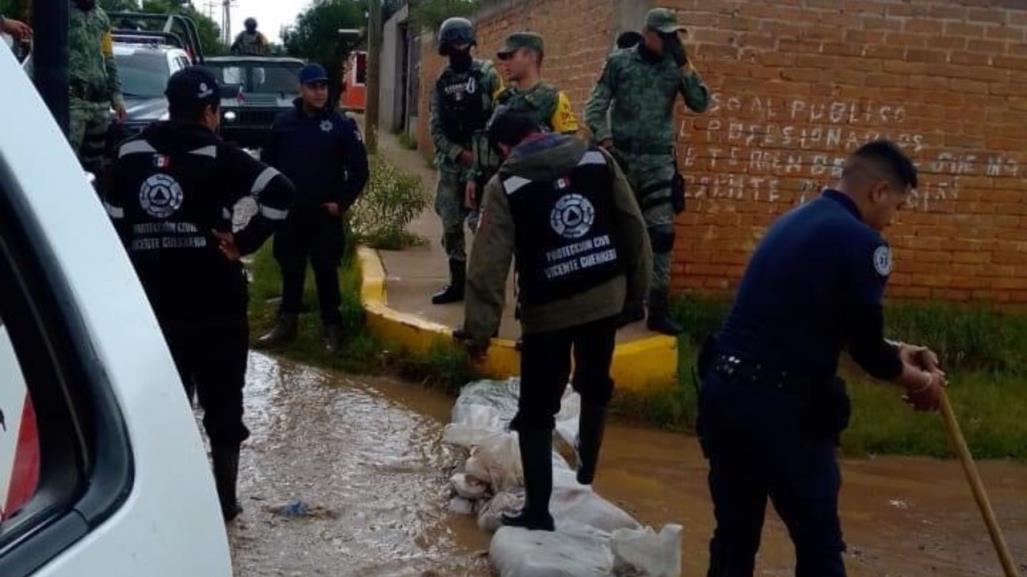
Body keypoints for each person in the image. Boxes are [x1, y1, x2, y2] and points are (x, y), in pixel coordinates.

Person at [696, 140, 947, 577]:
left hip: (725, 395)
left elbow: (818, 322)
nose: (893, 220)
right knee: (818, 547)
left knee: (734, 537)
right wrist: (921, 383)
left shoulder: (794, 220)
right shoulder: (863, 242)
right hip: (781, 411)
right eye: (898, 207)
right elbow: (868, 352)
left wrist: (896, 350)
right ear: (879, 191)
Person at [105, 67, 295, 522]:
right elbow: (281, 192)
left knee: (162, 408)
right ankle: (224, 505)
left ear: (170, 105)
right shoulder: (221, 154)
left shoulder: (128, 152)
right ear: (210, 112)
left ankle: (164, 503)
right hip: (217, 308)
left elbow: (112, 224)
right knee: (224, 409)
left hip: (153, 312)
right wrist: (245, 242)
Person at [458, 108, 652, 531]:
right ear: (540, 129)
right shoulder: (597, 159)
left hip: (549, 310)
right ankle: (588, 466)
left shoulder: (506, 183)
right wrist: (638, 293)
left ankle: (538, 512)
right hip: (605, 296)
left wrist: (479, 333)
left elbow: (487, 265)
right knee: (595, 380)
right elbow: (634, 226)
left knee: (536, 413)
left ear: (504, 147)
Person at [584, 7, 709, 335]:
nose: (669, 42)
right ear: (648, 34)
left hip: (657, 163)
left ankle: (658, 309)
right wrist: (608, 145)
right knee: (624, 233)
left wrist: (685, 65)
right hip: (623, 159)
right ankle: (627, 304)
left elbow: (700, 103)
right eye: (664, 36)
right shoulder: (620, 62)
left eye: (673, 36)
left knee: (662, 235)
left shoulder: (674, 66)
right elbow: (595, 107)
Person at [258, 63, 369, 352]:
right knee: (291, 269)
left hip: (324, 214)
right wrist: (271, 202)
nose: (320, 92)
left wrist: (341, 203)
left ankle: (333, 328)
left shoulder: (341, 124)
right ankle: (287, 324)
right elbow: (267, 166)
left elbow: (359, 170)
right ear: (302, 89)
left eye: (323, 86)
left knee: (325, 270)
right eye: (313, 87)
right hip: (291, 213)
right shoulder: (283, 123)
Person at [427, 17, 503, 305]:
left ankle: (486, 286)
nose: (458, 49)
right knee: (450, 225)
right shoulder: (442, 81)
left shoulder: (487, 75)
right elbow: (436, 127)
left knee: (483, 228)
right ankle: (457, 283)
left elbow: (498, 119)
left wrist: (479, 156)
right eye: (452, 44)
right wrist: (459, 153)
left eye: (462, 43)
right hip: (451, 164)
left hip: (484, 164)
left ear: (471, 44)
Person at [468, 32, 580, 218]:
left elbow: (568, 154)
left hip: (536, 193)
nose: (505, 63)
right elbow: (489, 145)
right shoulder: (502, 99)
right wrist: (474, 176)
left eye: (511, 56)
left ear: (531, 56)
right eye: (503, 58)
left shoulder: (554, 100)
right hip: (501, 192)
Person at [69, 0, 126, 176]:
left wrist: (117, 97)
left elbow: (109, 58)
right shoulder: (62, 14)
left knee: (95, 166)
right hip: (73, 103)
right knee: (69, 162)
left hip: (99, 105)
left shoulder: (102, 17)